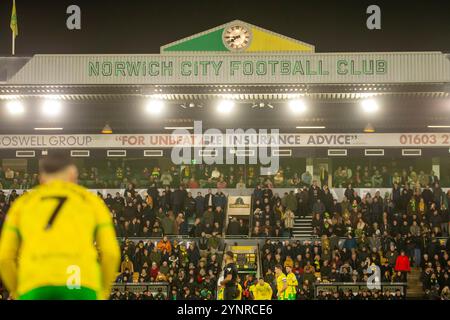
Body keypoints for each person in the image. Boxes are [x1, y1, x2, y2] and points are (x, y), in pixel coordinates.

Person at [0, 152, 120, 300]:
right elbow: (111, 254)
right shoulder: (92, 202)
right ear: (73, 175)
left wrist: (19, 291)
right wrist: (102, 292)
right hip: (81, 284)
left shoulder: (22, 204)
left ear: (41, 179)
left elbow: (4, 257)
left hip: (35, 285)